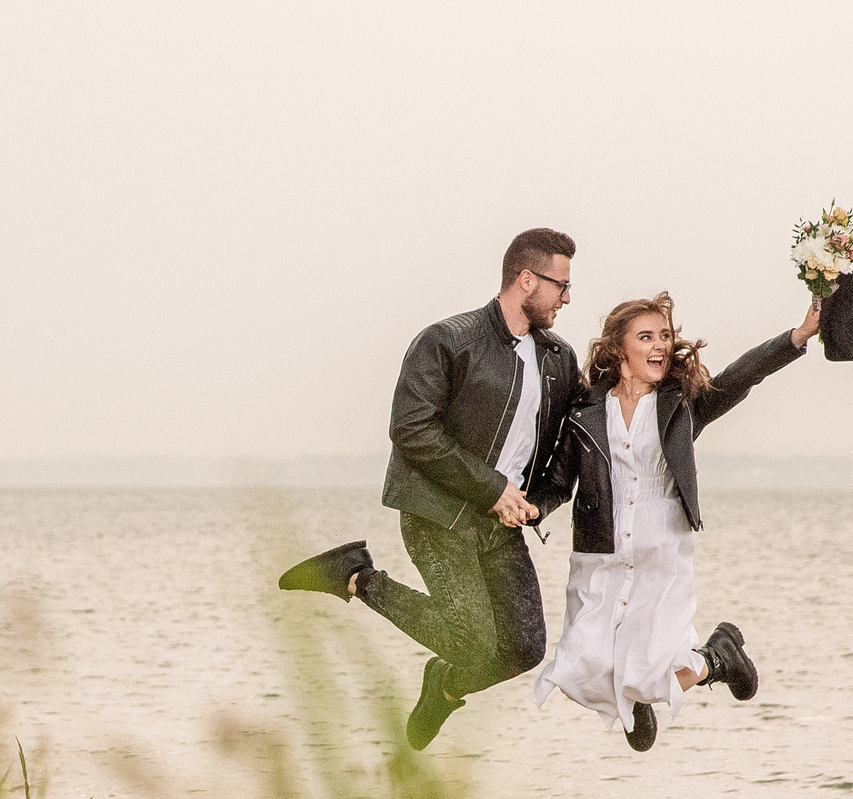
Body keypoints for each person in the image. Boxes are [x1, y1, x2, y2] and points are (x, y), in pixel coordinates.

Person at [276, 228, 587, 749]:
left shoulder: (558, 358)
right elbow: (411, 428)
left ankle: (441, 689)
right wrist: (492, 489)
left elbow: (574, 437)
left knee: (523, 648)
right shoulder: (448, 340)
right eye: (561, 285)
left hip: (501, 522)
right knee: (470, 640)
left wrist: (540, 503)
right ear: (526, 279)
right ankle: (356, 575)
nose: (567, 298)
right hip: (438, 513)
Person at [526, 290, 822, 752]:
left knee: (647, 674)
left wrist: (798, 336)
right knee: (578, 668)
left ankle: (717, 658)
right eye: (646, 336)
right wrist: (533, 508)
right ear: (618, 349)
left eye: (665, 335)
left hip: (660, 551)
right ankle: (640, 694)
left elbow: (742, 376)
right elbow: (559, 481)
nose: (660, 345)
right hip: (599, 553)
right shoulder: (585, 411)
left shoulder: (682, 407)